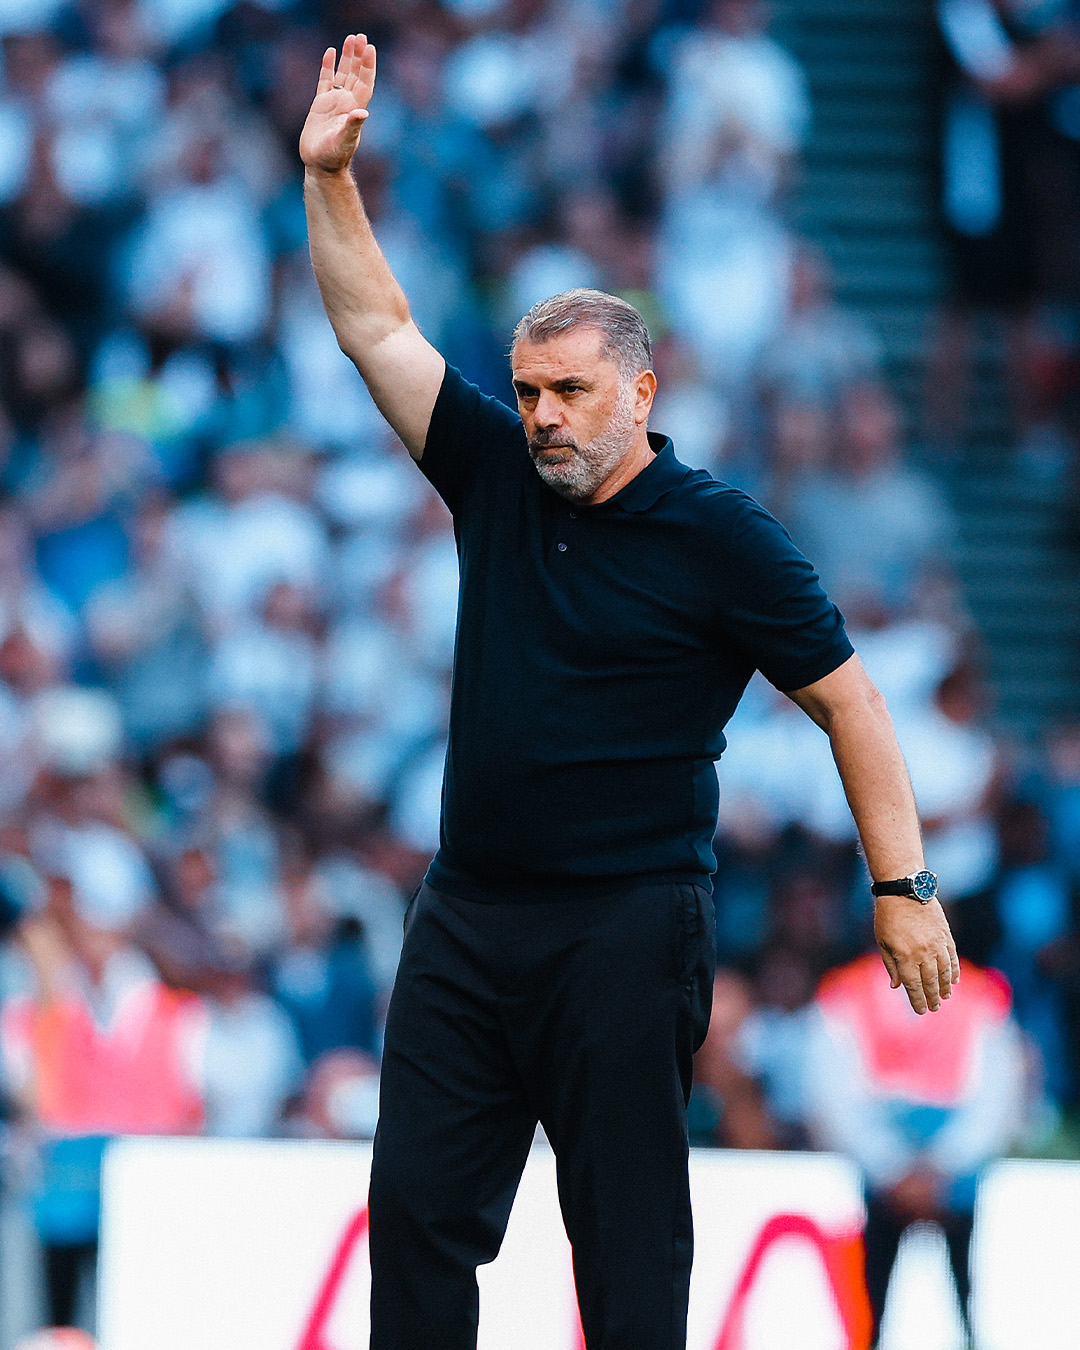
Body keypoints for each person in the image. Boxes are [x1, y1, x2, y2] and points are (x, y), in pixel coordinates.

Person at [300, 35, 960, 1350]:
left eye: (568, 392)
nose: (538, 413)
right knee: (419, 1215)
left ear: (641, 392)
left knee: (627, 1240)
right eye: (530, 388)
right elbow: (378, 323)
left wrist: (902, 888)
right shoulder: (492, 470)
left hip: (627, 929)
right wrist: (329, 177)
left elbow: (852, 703)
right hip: (470, 917)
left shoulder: (723, 538)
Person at [804, 950, 1027, 1348]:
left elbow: (999, 1098)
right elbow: (830, 1096)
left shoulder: (982, 992)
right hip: (878, 1181)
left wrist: (943, 1168)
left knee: (969, 1299)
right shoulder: (844, 991)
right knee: (871, 1306)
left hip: (955, 1181)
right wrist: (890, 1168)